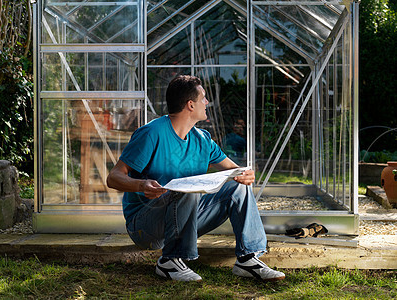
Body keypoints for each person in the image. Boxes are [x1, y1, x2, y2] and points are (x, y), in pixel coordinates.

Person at [106, 75, 285, 282]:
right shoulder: (151, 134)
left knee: (238, 188)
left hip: (182, 220)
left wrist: (245, 174)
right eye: (203, 98)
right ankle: (170, 261)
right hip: (145, 226)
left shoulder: (202, 139)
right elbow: (114, 177)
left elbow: (234, 170)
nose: (207, 103)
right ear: (190, 105)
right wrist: (141, 184)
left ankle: (247, 259)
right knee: (186, 191)